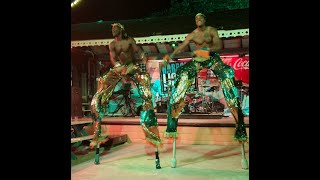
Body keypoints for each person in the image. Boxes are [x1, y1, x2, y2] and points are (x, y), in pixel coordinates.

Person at [162, 13, 248, 142]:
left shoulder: (211, 30)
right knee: (182, 73)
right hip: (198, 60)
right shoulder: (193, 34)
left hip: (212, 58)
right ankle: (171, 125)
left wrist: (205, 51)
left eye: (201, 18)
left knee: (226, 73)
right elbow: (181, 46)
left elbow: (218, 45)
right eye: (196, 18)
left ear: (205, 20)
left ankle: (239, 126)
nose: (199, 20)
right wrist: (171, 55)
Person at [90, 23, 162, 168]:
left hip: (133, 66)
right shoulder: (112, 45)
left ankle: (151, 132)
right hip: (119, 68)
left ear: (121, 30)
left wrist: (143, 60)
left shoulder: (129, 41)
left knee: (146, 93)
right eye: (112, 29)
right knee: (100, 89)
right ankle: (97, 132)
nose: (113, 30)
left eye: (115, 28)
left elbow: (140, 53)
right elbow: (113, 59)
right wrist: (119, 68)